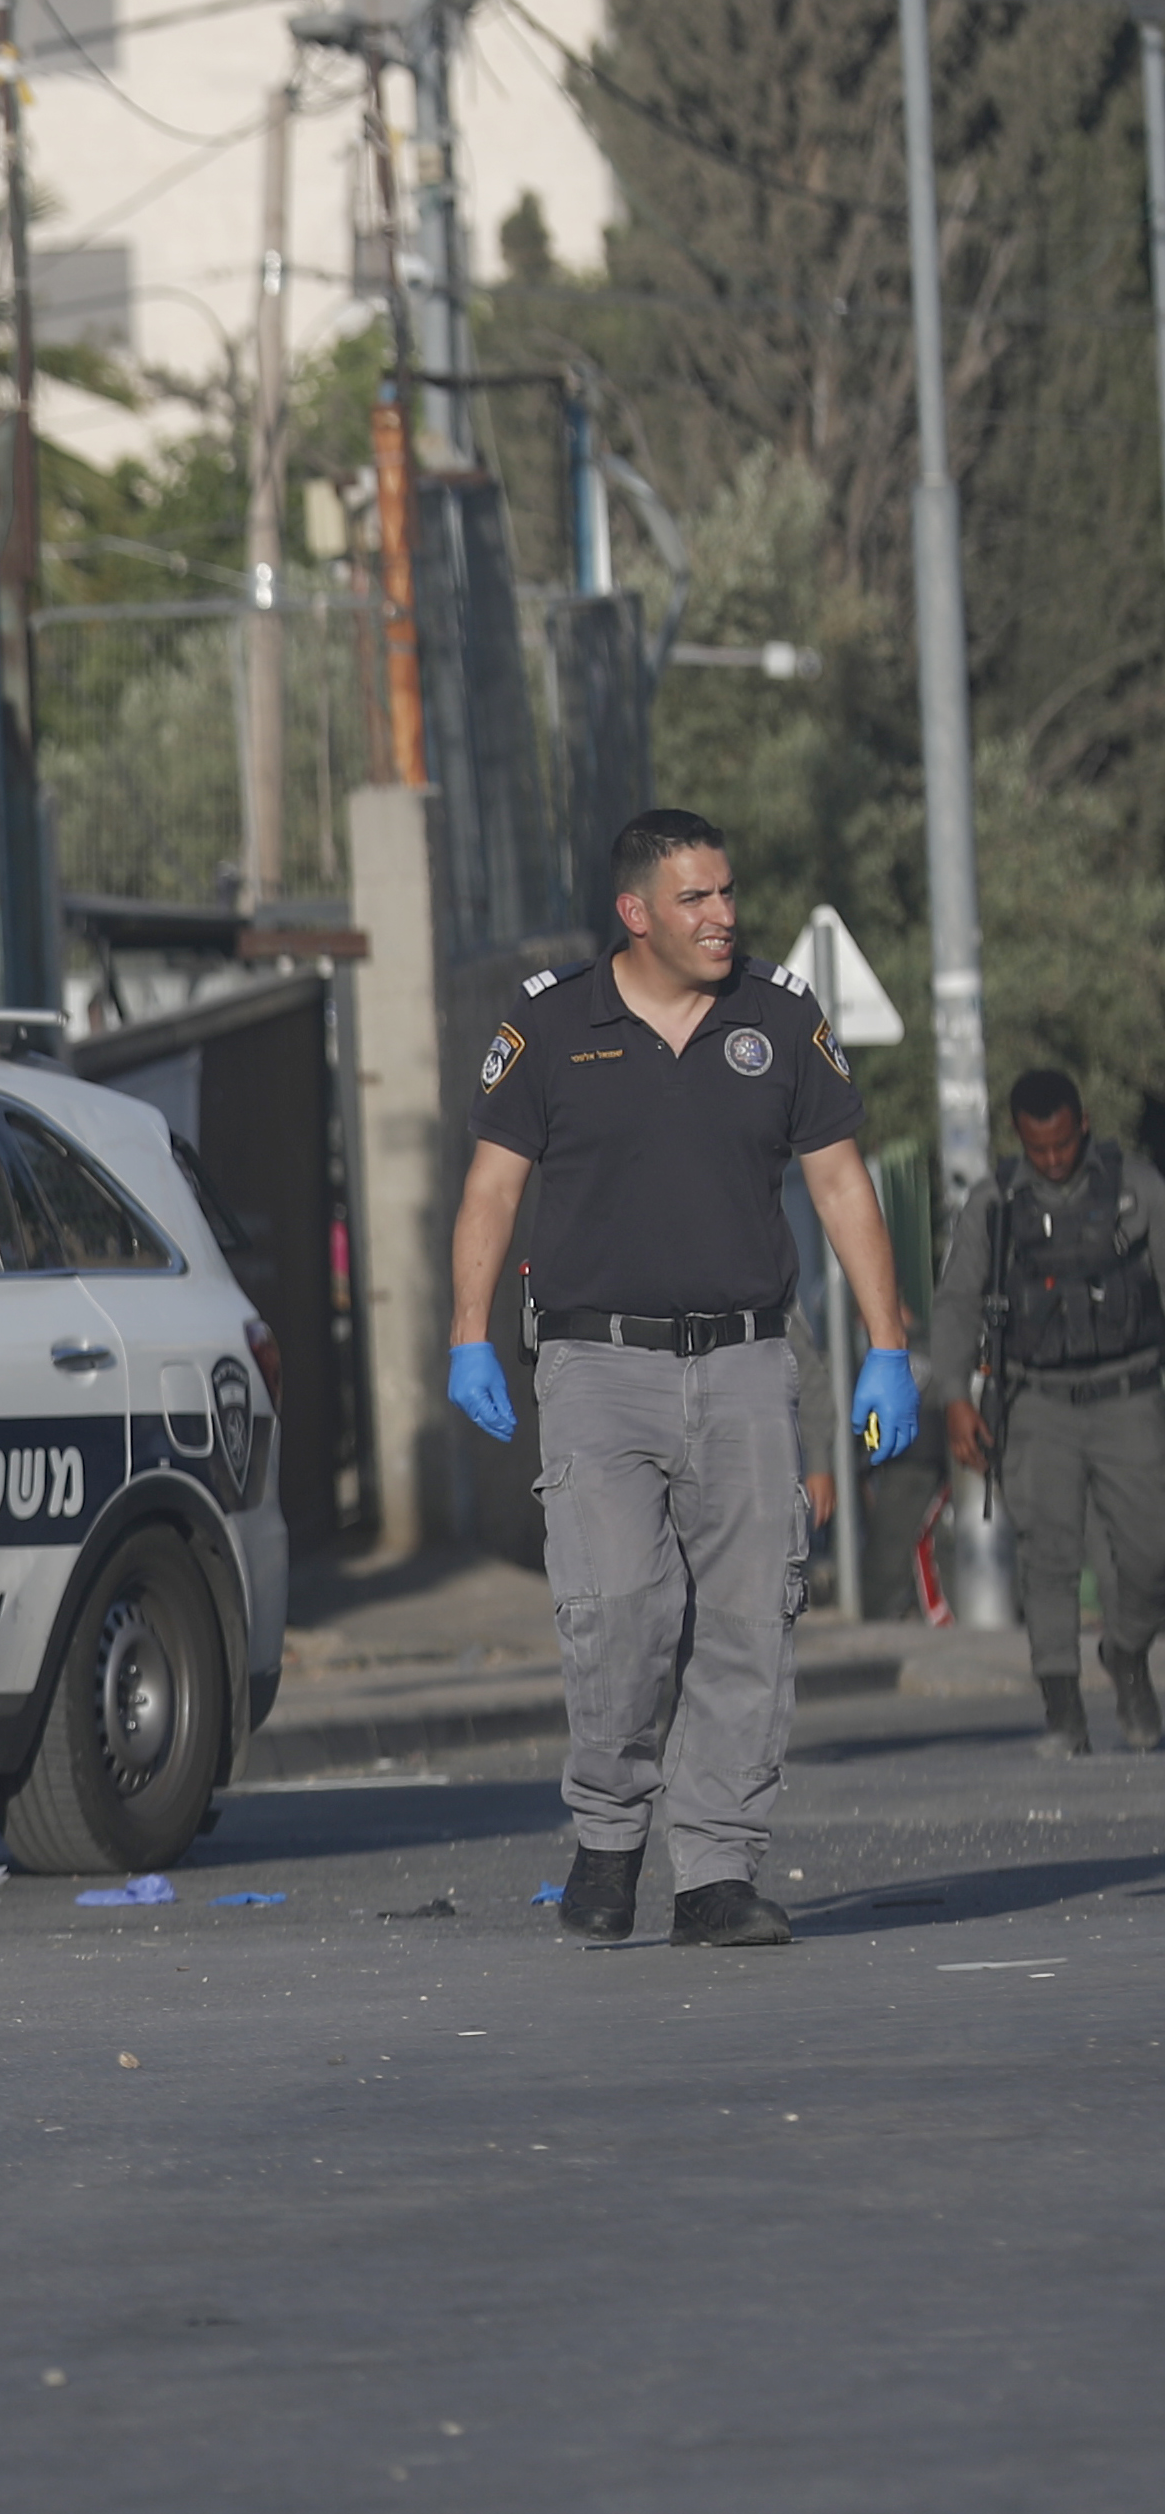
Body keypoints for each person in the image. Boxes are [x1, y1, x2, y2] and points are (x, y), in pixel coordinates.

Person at [445, 807, 916, 1949]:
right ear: (636, 911)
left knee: (752, 1620)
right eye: (697, 898)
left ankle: (716, 1870)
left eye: (728, 892)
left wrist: (890, 1344)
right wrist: (469, 1331)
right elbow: (493, 1191)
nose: (723, 916)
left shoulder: (779, 1016)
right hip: (598, 1367)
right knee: (622, 1614)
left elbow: (845, 1184)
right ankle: (608, 1838)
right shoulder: (553, 1025)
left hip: (751, 1359)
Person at [929, 1066, 1165, 1752]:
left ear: (1081, 1124)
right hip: (1036, 1403)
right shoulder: (994, 1203)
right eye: (1040, 1148)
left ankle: (1124, 1653)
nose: (1054, 1159)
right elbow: (955, 1303)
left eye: (1062, 1143)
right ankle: (1061, 1709)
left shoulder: (1136, 1189)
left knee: (1151, 1553)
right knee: (1049, 1555)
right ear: (1019, 1138)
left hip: (1129, 1395)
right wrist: (953, 1398)